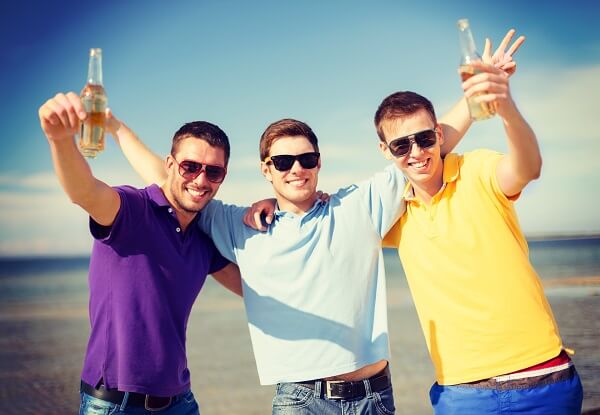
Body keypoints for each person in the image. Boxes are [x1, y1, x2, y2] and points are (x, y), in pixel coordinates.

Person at [114, 31, 523, 415]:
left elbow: (424, 146)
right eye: (284, 162)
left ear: (319, 163)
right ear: (266, 170)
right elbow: (173, 182)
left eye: (307, 160)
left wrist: (477, 95)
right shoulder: (237, 223)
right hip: (300, 400)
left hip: (373, 397)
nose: (297, 170)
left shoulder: (357, 206)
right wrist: (114, 127)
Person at [374, 62, 583, 413]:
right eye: (400, 146)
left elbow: (528, 167)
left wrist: (505, 109)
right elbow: (327, 222)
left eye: (425, 138)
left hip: (543, 381)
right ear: (386, 151)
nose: (416, 152)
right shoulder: (391, 213)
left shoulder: (477, 170)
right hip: (462, 395)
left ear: (439, 135)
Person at [38, 92, 243, 415]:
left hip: (181, 402)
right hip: (114, 404)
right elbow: (84, 191)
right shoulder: (133, 210)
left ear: (222, 177)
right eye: (190, 167)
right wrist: (60, 140)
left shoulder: (203, 238)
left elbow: (255, 290)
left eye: (213, 172)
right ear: (170, 165)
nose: (201, 180)